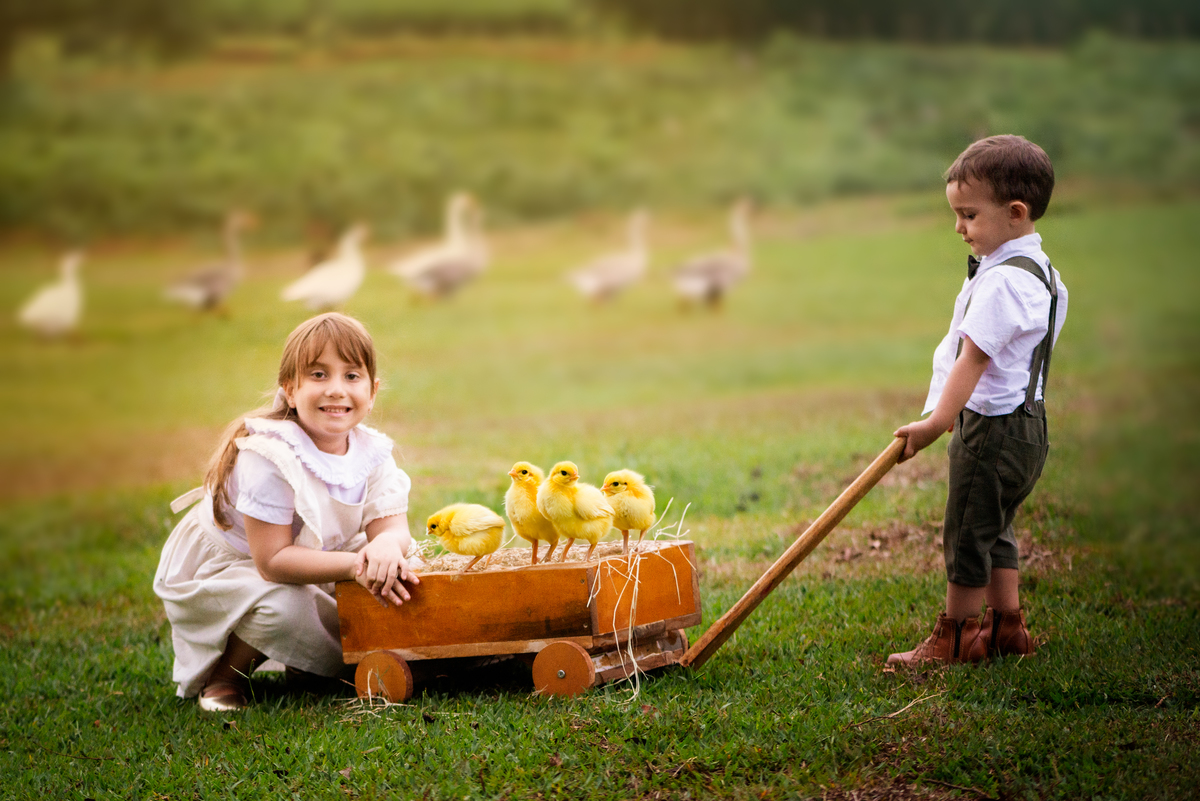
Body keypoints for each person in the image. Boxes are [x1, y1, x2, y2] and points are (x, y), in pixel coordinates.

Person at [154, 312, 421, 710]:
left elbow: (393, 528)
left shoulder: (372, 451)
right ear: (290, 390)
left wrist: (385, 547)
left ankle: (311, 662)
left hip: (316, 551)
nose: (336, 390)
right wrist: (354, 566)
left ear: (373, 391)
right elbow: (273, 563)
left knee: (407, 561)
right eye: (318, 375)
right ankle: (226, 677)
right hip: (239, 565)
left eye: (351, 376)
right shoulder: (270, 456)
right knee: (284, 606)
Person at [887, 135, 1068, 667]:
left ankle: (957, 639)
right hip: (1028, 427)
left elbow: (974, 359)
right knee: (997, 527)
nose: (959, 227)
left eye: (968, 215)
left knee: (966, 531)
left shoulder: (1002, 284)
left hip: (988, 429)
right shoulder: (1045, 276)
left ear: (1016, 213)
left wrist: (936, 423)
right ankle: (1007, 628)